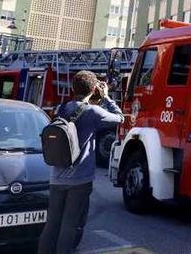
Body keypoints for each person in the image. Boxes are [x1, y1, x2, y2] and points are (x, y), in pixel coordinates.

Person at [38, 71, 124, 254]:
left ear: (72, 88)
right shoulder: (93, 111)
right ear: (93, 90)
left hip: (57, 178)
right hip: (80, 180)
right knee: (69, 226)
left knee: (51, 225)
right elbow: (119, 118)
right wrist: (107, 97)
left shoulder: (62, 108)